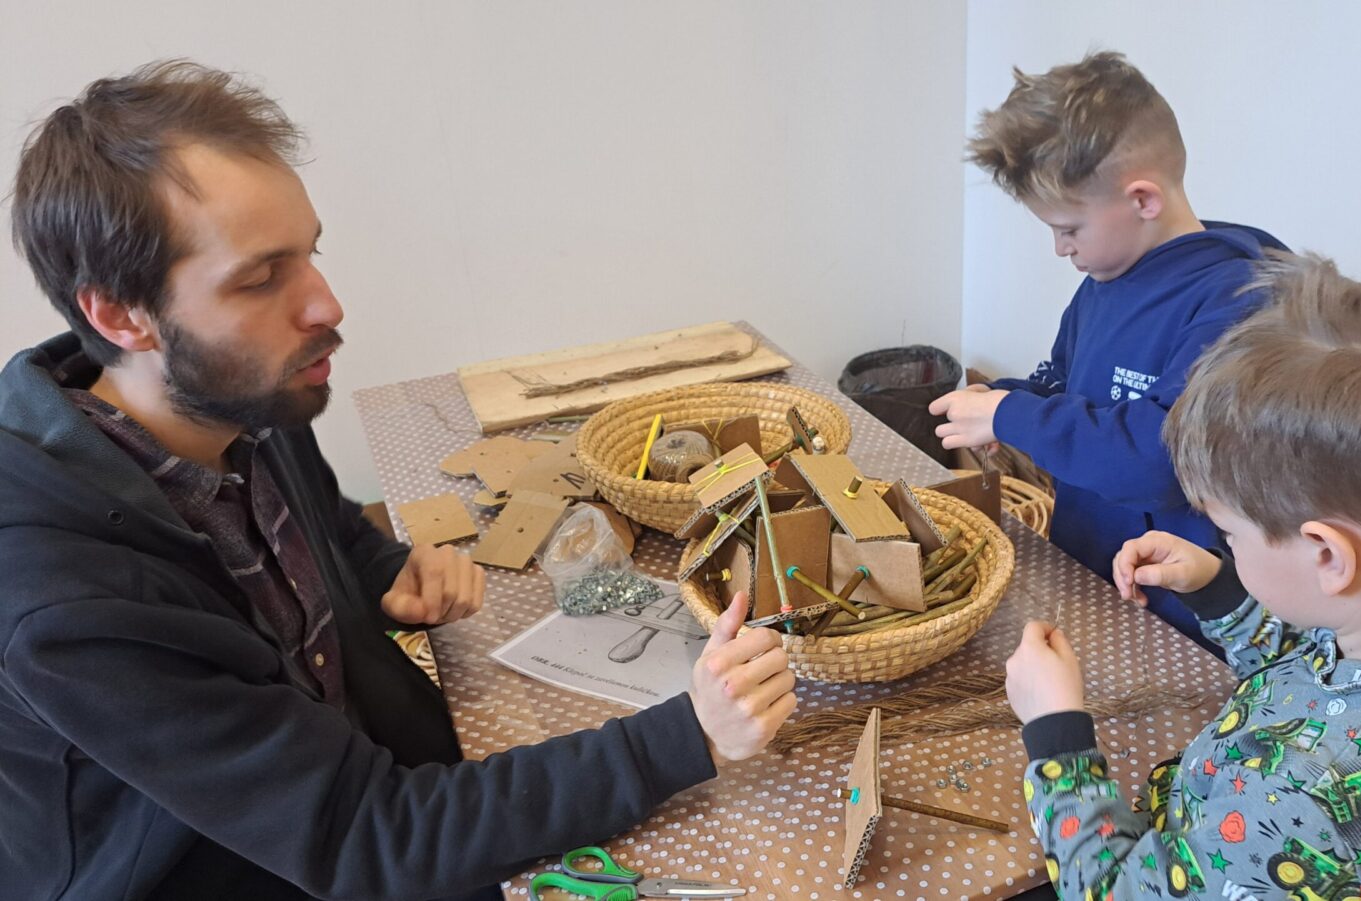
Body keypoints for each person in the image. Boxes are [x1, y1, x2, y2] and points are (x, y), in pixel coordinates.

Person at [0, 60, 796, 900]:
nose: (326, 305)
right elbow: (368, 837)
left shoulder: (240, 399)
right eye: (260, 278)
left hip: (348, 782)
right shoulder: (67, 599)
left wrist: (383, 572)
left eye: (308, 253)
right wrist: (691, 736)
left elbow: (328, 525)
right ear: (120, 315)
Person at [1004, 253, 1361, 900]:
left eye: (1230, 534)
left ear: (1328, 556)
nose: (1225, 545)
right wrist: (1220, 589)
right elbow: (1315, 685)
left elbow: (1115, 892)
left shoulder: (1299, 796)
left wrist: (1057, 737)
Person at [932, 51, 1286, 648]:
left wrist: (1014, 415)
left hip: (1180, 617)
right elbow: (1065, 387)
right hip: (1089, 573)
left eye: (1068, 229)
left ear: (1142, 199)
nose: (1059, 248)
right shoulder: (1106, 277)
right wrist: (1002, 402)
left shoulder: (1240, 301)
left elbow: (1160, 460)